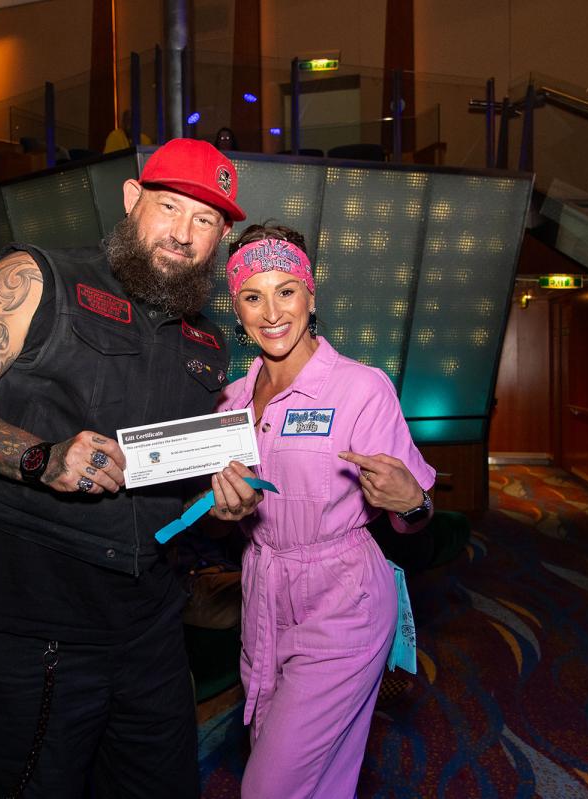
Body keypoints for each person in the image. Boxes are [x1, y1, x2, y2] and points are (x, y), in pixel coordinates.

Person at [0, 137, 261, 798]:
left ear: (221, 237)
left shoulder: (208, 342)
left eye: (205, 219)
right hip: (33, 620)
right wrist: (40, 458)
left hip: (149, 625)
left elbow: (173, 489)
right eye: (169, 207)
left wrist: (221, 504)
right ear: (132, 200)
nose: (183, 233)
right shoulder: (36, 277)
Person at [216, 224, 437, 798]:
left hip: (344, 600)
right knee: (309, 775)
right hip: (261, 593)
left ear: (311, 296)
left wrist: (412, 502)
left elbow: (415, 515)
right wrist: (222, 510)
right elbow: (220, 507)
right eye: (253, 296)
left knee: (268, 786)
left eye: (286, 291)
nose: (272, 313)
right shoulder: (230, 400)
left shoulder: (361, 389)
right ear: (236, 308)